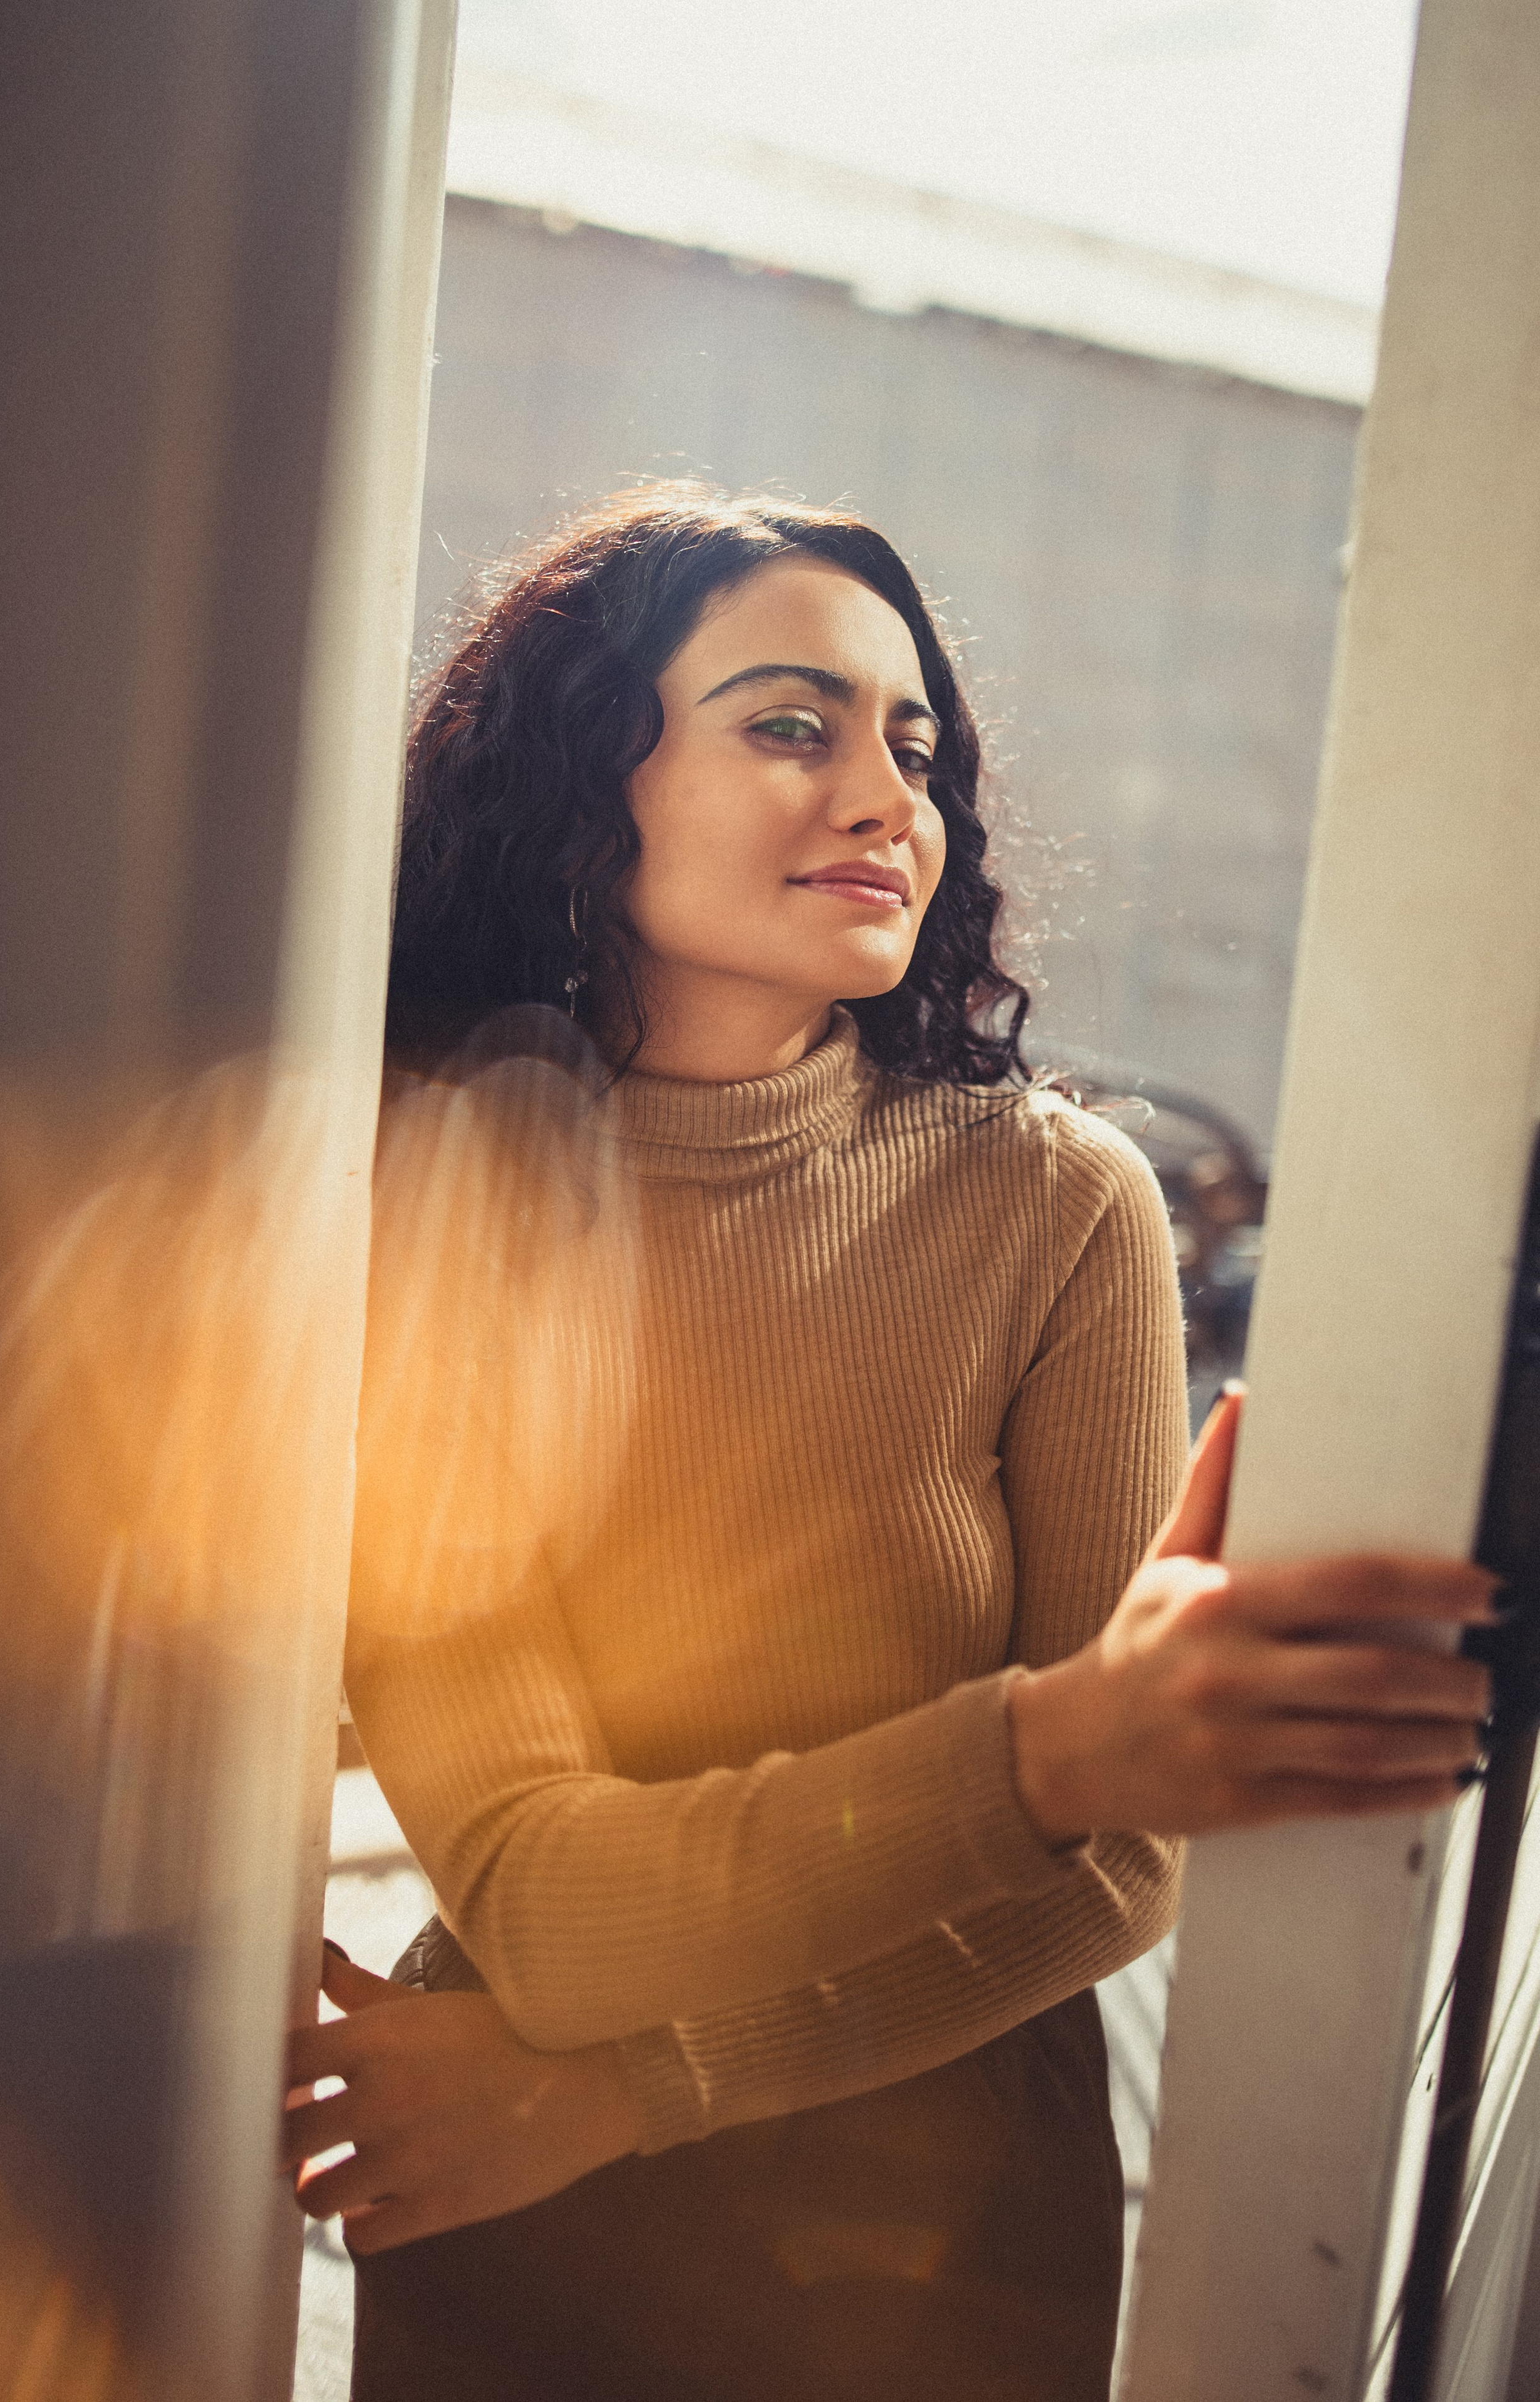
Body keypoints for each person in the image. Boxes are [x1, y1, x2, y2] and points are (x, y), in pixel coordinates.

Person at [282, 489, 1494, 2402]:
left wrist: (627, 2090)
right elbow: (544, 1896)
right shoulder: (426, 1216)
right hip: (514, 2228)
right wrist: (1053, 1749)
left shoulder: (1060, 1206)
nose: (884, 797)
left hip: (937, 2214)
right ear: (588, 782)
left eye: (912, 745)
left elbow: (1119, 1871)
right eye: (790, 725)